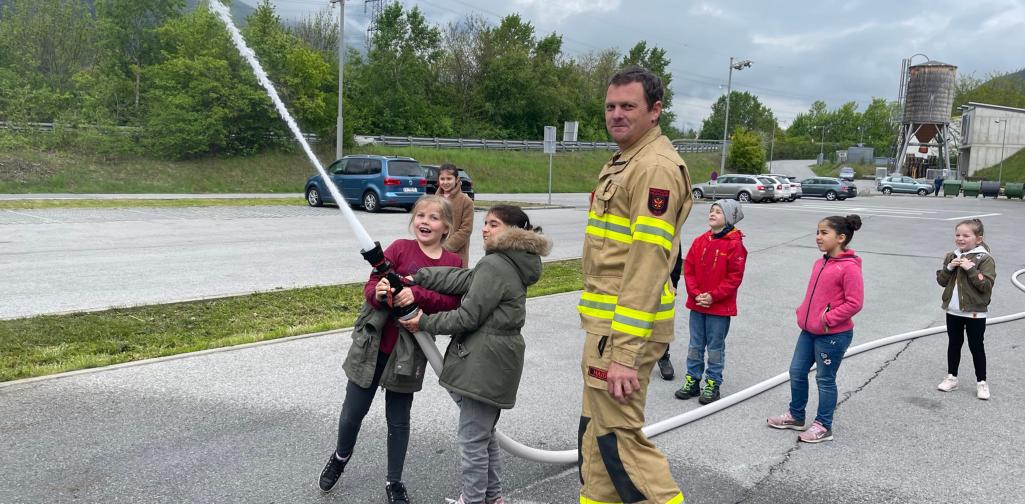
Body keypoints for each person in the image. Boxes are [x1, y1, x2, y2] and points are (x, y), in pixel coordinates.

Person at [577, 65, 692, 504]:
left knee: (618, 441)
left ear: (655, 110)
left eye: (628, 106)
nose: (616, 114)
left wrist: (624, 353)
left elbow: (646, 264)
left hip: (623, 336)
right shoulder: (625, 160)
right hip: (604, 329)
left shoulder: (655, 168)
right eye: (610, 106)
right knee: (594, 435)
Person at [400, 205, 551, 504]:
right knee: (484, 436)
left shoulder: (497, 265)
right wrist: (419, 277)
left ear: (513, 231)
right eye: (484, 223)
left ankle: (473, 500)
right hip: (495, 359)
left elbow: (467, 317)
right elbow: (463, 280)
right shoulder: (507, 262)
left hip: (486, 361)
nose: (484, 229)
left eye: (492, 224)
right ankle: (492, 498)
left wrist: (424, 322)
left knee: (472, 440)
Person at [318, 195, 463, 503]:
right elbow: (371, 288)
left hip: (410, 352)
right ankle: (341, 456)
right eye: (420, 215)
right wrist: (382, 293)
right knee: (352, 413)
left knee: (398, 419)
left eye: (434, 218)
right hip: (374, 345)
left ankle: (394, 481)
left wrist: (416, 295)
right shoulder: (398, 248)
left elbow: (452, 302)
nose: (425, 221)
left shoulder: (453, 263)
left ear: (446, 227)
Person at [767, 215, 864, 443]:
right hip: (809, 331)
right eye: (818, 232)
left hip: (833, 335)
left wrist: (827, 319)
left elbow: (855, 303)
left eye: (824, 233)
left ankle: (823, 425)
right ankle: (796, 416)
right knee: (797, 372)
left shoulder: (849, 268)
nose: (818, 237)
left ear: (840, 238)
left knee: (825, 379)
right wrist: (803, 312)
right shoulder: (820, 263)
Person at [674, 199, 747, 404]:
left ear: (730, 218)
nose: (712, 214)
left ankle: (713, 382)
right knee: (695, 344)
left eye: (718, 212)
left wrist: (713, 296)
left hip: (719, 308)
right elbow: (689, 269)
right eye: (711, 210)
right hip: (698, 304)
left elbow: (734, 277)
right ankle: (693, 379)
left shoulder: (735, 245)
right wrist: (696, 293)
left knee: (715, 346)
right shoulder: (700, 241)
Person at [935, 218, 995, 400]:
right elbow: (941, 281)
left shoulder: (985, 258)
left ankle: (982, 382)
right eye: (958, 234)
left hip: (975, 312)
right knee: (954, 343)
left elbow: (986, 286)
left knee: (976, 345)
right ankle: (952, 377)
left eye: (966, 235)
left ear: (978, 239)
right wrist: (949, 267)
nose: (960, 238)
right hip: (953, 311)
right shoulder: (951, 255)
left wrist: (970, 269)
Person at [437, 163, 475, 267]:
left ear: (457, 179)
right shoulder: (433, 200)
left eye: (449, 179)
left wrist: (445, 248)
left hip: (456, 255)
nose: (445, 182)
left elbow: (466, 230)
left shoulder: (466, 201)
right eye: (442, 179)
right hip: (434, 253)